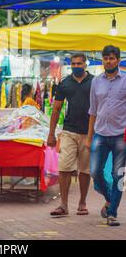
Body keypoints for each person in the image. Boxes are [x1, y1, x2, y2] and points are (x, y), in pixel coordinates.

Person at [47, 53, 94, 217]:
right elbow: (56, 110)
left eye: (79, 64)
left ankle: (82, 203)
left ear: (85, 64)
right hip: (68, 131)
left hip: (89, 133)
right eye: (73, 64)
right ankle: (63, 205)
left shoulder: (94, 82)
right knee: (64, 168)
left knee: (85, 170)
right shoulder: (64, 83)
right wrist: (51, 134)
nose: (76, 66)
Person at [86, 45, 126, 227]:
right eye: (105, 58)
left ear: (118, 60)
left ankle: (112, 213)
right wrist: (89, 136)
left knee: (118, 175)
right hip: (100, 134)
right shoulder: (96, 81)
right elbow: (92, 110)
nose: (108, 61)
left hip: (120, 135)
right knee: (95, 171)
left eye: (111, 58)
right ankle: (110, 198)